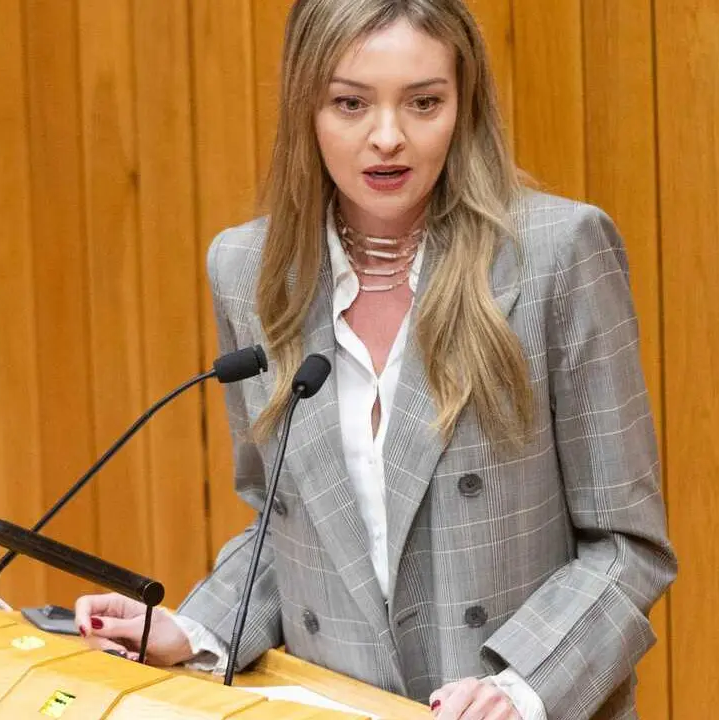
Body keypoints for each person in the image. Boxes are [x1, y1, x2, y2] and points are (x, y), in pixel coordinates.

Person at [75, 1, 676, 718]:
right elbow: (290, 528)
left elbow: (625, 545)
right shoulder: (251, 271)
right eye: (351, 103)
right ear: (307, 107)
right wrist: (193, 629)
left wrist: (520, 690)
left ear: (465, 103)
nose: (387, 138)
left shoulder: (554, 256)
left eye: (424, 103)